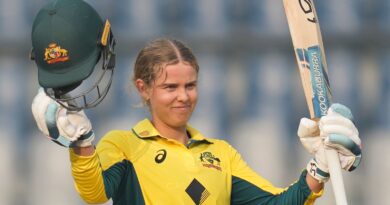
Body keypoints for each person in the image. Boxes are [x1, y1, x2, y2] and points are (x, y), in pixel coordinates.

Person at [31, 1, 362, 205]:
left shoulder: (221, 153)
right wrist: (82, 144)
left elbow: (276, 204)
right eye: (170, 87)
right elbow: (94, 193)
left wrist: (319, 169)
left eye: (190, 85)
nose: (183, 96)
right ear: (143, 89)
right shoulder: (124, 146)